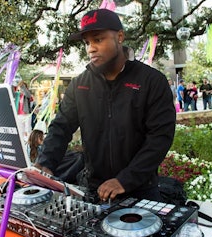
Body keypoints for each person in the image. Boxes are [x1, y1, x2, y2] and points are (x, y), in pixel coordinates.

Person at [35, 9, 176, 202]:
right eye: (87, 43)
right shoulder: (79, 85)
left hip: (141, 190)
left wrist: (125, 180)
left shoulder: (152, 81)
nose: (91, 48)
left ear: (119, 37)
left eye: (98, 39)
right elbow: (61, 127)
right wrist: (45, 164)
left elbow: (159, 138)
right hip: (95, 188)